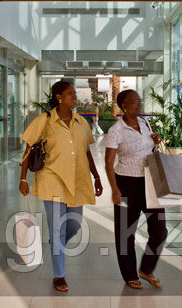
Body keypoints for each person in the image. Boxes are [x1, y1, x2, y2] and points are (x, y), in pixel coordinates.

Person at [19, 80, 104, 292]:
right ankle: (59, 275)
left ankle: (56, 245)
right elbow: (29, 149)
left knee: (74, 224)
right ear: (59, 97)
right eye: (70, 93)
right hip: (52, 179)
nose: (75, 96)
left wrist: (97, 176)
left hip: (77, 180)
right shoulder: (45, 120)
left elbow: (86, 152)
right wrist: (22, 178)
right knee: (57, 228)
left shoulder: (81, 123)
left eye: (75, 93)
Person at [104, 89, 167, 289]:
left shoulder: (145, 123)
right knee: (125, 232)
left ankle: (146, 269)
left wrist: (155, 141)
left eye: (140, 101)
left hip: (149, 181)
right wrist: (114, 189)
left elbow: (150, 150)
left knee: (160, 230)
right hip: (126, 183)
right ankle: (130, 274)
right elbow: (108, 162)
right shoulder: (116, 131)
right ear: (124, 106)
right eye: (135, 102)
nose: (140, 105)